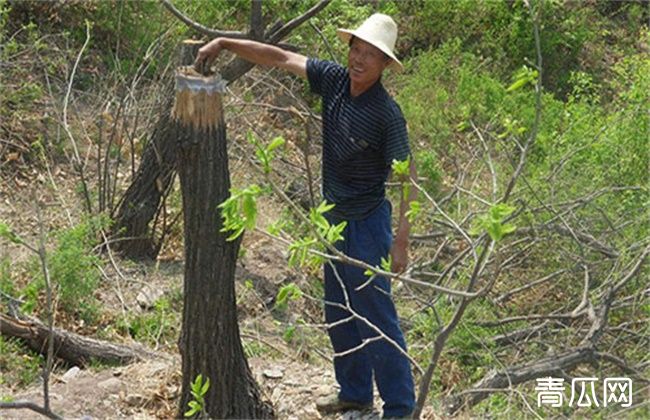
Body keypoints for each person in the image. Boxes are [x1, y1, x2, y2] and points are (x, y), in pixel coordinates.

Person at [195, 13, 417, 419]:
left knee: (376, 316)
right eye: (356, 49)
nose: (360, 60)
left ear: (385, 64)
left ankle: (401, 409)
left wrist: (401, 240)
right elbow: (280, 57)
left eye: (371, 55)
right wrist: (225, 43)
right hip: (331, 220)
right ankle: (354, 392)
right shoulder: (332, 80)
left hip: (368, 224)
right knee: (338, 310)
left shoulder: (387, 114)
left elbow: (408, 178)